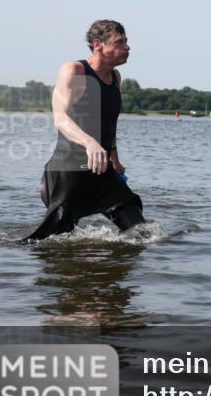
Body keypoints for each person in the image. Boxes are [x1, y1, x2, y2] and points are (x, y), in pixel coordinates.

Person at [25, 20, 145, 241]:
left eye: (126, 42)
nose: (127, 47)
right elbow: (60, 118)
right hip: (69, 173)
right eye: (119, 42)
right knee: (49, 243)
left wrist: (115, 158)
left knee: (142, 233)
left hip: (102, 171)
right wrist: (90, 143)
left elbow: (109, 121)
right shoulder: (75, 71)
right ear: (98, 44)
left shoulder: (116, 77)